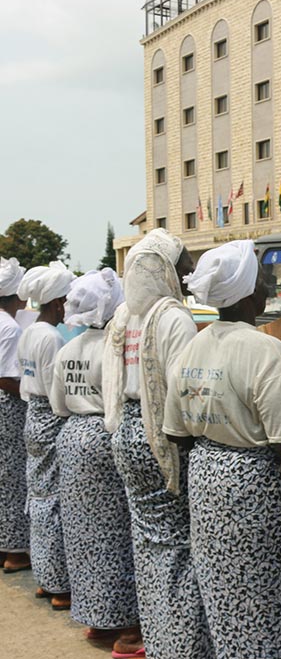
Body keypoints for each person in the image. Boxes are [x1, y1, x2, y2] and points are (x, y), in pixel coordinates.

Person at [163, 241, 281, 658]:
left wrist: (215, 427)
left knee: (224, 593)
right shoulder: (265, 348)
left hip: (207, 478)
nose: (267, 286)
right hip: (255, 486)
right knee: (269, 596)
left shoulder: (191, 347)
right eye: (262, 279)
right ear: (250, 294)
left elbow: (175, 433)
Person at [102, 229, 214, 659]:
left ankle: (159, 636)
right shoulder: (171, 318)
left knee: (149, 542)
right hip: (159, 439)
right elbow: (182, 391)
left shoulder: (124, 316)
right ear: (162, 269)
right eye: (183, 266)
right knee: (178, 547)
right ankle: (182, 645)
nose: (188, 275)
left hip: (127, 433)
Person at [49, 269, 142, 653]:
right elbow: (118, 400)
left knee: (84, 535)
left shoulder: (67, 349)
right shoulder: (114, 347)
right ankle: (127, 630)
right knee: (117, 533)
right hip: (104, 439)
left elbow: (57, 404)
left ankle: (97, 621)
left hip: (71, 439)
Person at [16, 260, 75, 610]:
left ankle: (43, 576)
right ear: (56, 304)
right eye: (66, 301)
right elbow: (57, 392)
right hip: (49, 418)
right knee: (52, 501)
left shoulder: (29, 333)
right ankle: (57, 584)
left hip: (31, 417)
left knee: (38, 498)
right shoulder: (52, 338)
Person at [0, 258, 30, 574]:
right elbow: (5, 377)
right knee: (12, 480)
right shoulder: (10, 327)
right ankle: (16, 552)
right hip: (7, 407)